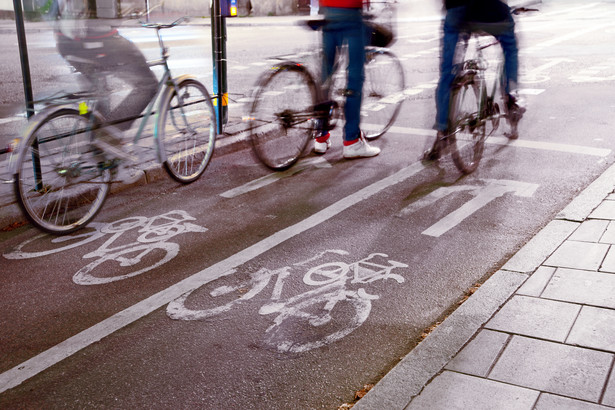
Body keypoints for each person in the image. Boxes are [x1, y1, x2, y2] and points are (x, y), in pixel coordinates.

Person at [425, 0, 524, 160]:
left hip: (457, 11)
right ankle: (511, 98)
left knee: (447, 71)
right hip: (492, 11)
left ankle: (443, 131)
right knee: (510, 47)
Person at [48, 0, 158, 132]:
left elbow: (53, 12)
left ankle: (98, 142)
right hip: (95, 42)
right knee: (148, 85)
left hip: (65, 44)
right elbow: (112, 17)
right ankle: (111, 134)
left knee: (99, 92)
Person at [314, 0, 380, 159]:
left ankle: (320, 136)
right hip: (350, 11)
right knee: (355, 74)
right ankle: (352, 141)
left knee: (326, 74)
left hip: (327, 10)